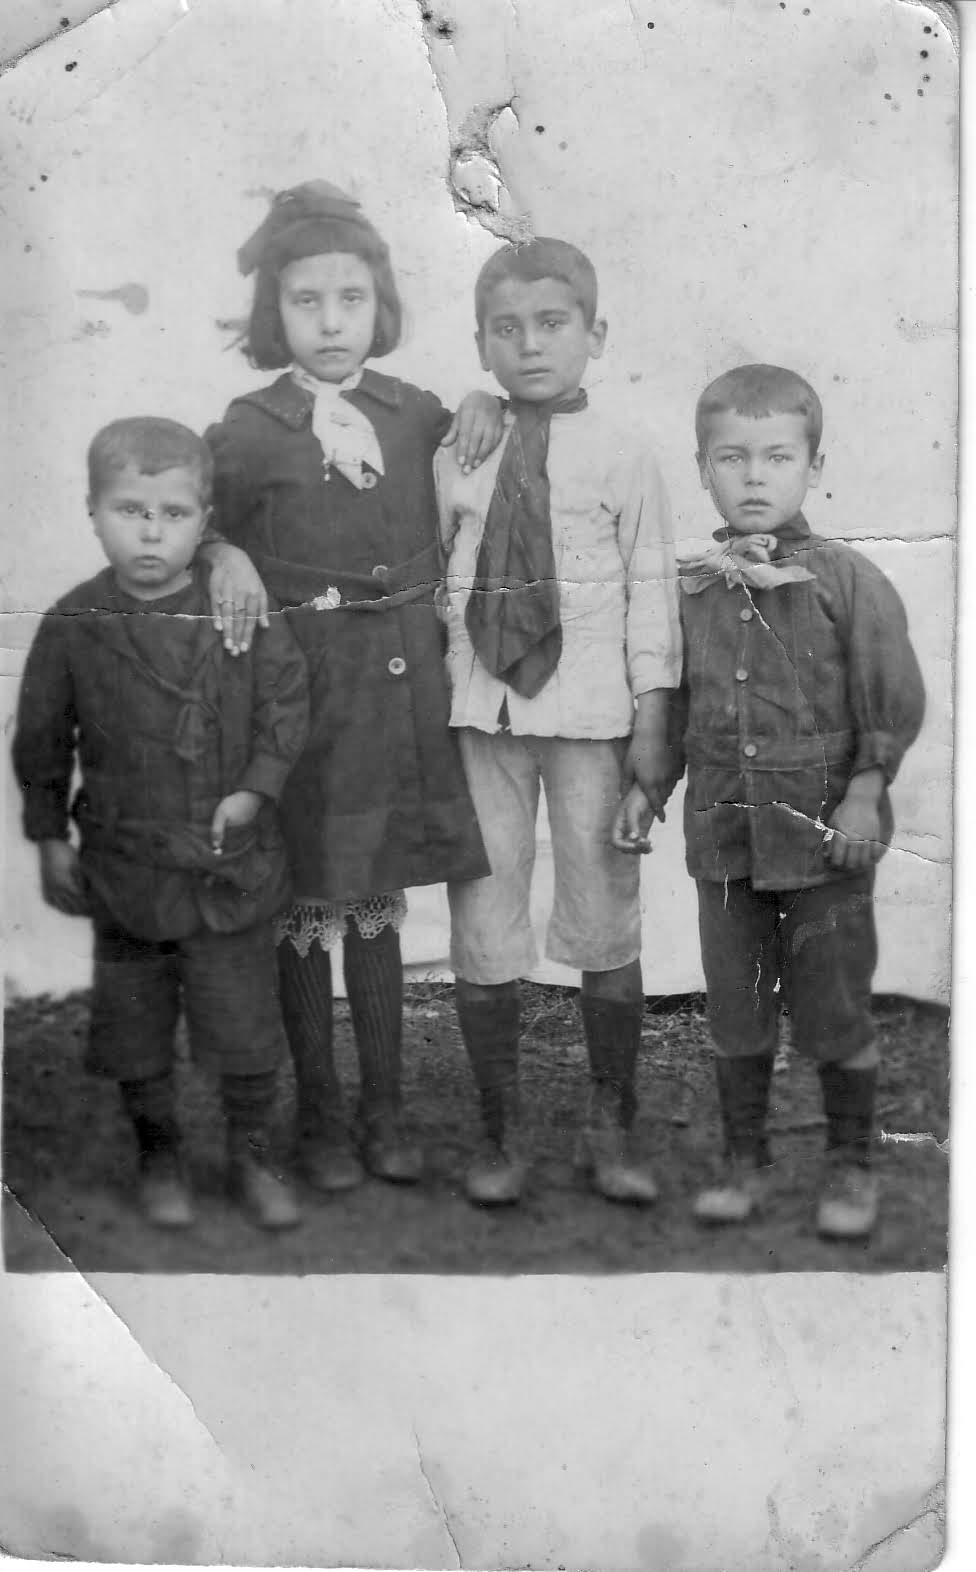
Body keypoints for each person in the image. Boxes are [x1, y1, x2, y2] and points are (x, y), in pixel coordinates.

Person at [203, 181, 500, 1193]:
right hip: (302, 703)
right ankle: (320, 1120)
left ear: (381, 306)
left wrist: (487, 404)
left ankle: (383, 1112)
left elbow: (475, 452)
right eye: (307, 303)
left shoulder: (411, 412)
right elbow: (200, 517)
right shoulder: (250, 429)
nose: (331, 324)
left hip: (395, 696)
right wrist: (222, 554)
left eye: (351, 301)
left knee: (374, 893)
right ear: (274, 314)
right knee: (305, 899)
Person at [12, 418, 309, 1231]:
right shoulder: (74, 623)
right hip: (127, 873)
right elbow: (41, 740)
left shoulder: (238, 606)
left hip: (228, 869)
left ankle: (253, 1158)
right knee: (133, 1033)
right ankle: (159, 1157)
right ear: (92, 511)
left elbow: (286, 708)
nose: (150, 531)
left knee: (245, 1031)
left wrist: (255, 792)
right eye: (129, 510)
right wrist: (49, 838)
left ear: (205, 520)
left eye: (173, 514)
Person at [435, 237, 683, 1207]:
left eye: (551, 324)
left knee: (604, 918)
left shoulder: (626, 454)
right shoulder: (460, 449)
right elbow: (428, 575)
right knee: (482, 919)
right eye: (506, 329)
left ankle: (611, 1123)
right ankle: (498, 1130)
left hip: (592, 720)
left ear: (596, 333)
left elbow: (653, 596)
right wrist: (473, 409)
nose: (530, 345)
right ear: (481, 345)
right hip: (480, 716)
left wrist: (653, 729)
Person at [665, 363, 925, 1239]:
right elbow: (670, 705)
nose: (754, 477)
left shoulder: (848, 580)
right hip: (725, 842)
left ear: (814, 467)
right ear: (703, 468)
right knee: (736, 1008)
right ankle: (743, 1161)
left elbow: (889, 697)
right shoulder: (692, 586)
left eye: (777, 457)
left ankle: (851, 1167)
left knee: (832, 1004)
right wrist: (644, 789)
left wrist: (865, 792)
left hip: (826, 843)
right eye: (732, 457)